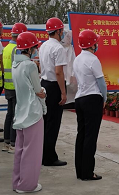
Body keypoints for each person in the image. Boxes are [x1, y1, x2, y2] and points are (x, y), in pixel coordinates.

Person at [11, 32, 47, 193]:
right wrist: (43, 94)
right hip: (32, 112)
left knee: (20, 149)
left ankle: (17, 182)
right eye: (35, 47)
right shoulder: (30, 65)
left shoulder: (15, 65)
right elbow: (38, 90)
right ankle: (27, 185)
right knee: (32, 151)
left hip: (20, 110)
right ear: (31, 48)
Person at [73, 30, 105, 181]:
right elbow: (101, 83)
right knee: (91, 137)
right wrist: (104, 98)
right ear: (92, 44)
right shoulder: (93, 59)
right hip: (92, 98)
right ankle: (88, 172)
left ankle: (80, 171)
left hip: (79, 99)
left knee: (81, 135)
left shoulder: (77, 59)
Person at [39, 17, 68, 167]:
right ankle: (49, 156)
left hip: (44, 83)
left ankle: (43, 154)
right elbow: (58, 72)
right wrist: (63, 92)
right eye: (61, 30)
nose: (62, 33)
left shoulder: (44, 46)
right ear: (58, 31)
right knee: (53, 123)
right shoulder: (58, 48)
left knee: (46, 121)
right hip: (54, 85)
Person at [2, 22, 27, 153]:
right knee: (16, 115)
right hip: (16, 86)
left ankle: (6, 142)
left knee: (10, 114)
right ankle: (13, 143)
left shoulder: (6, 48)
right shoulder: (17, 49)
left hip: (8, 85)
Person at [60, 30, 77, 107]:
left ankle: (70, 103)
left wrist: (73, 74)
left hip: (70, 73)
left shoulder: (71, 49)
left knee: (71, 89)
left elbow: (74, 61)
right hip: (62, 73)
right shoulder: (59, 48)